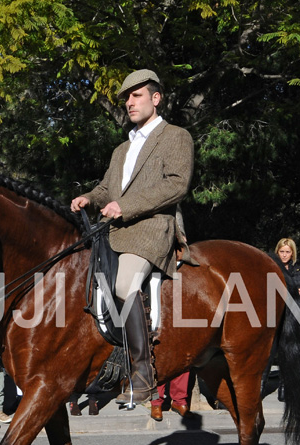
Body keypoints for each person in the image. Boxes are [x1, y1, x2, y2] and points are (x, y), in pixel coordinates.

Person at [70, 68, 194, 405]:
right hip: (114, 229)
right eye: (126, 97)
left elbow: (176, 184)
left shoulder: (176, 136)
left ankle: (141, 372)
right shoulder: (122, 149)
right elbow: (106, 189)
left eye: (136, 95)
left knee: (125, 286)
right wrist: (90, 199)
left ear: (156, 98)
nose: (129, 102)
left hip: (153, 226)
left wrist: (125, 206)